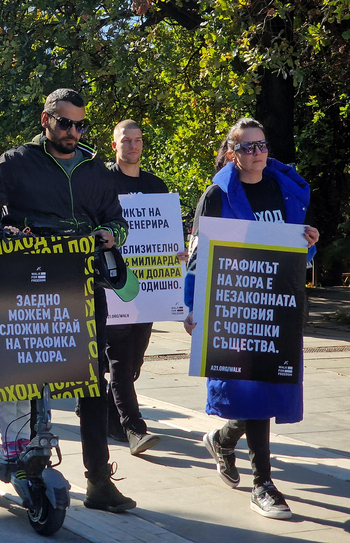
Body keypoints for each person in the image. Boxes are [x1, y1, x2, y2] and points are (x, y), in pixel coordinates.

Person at [0, 88, 134, 512]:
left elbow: (116, 220)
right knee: (28, 373)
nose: (73, 132)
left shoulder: (94, 167)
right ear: (46, 120)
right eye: (65, 123)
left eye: (80, 124)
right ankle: (26, 457)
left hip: (82, 282)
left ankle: (98, 481)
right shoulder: (18, 161)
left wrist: (112, 235)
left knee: (93, 380)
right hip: (27, 282)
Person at [183, 117, 319, 520]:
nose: (257, 153)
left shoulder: (284, 189)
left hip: (278, 305)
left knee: (268, 388)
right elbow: (197, 254)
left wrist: (308, 245)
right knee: (254, 388)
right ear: (232, 154)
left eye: (262, 146)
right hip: (234, 306)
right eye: (247, 147)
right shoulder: (218, 195)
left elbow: (292, 255)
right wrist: (192, 307)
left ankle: (223, 439)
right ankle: (263, 483)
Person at [104, 119, 169, 455]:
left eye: (137, 140)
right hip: (113, 285)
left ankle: (106, 412)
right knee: (118, 358)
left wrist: (177, 248)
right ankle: (134, 427)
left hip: (149, 289)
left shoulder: (156, 186)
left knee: (133, 364)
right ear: (114, 145)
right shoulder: (102, 182)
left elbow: (167, 231)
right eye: (125, 140)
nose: (132, 146)